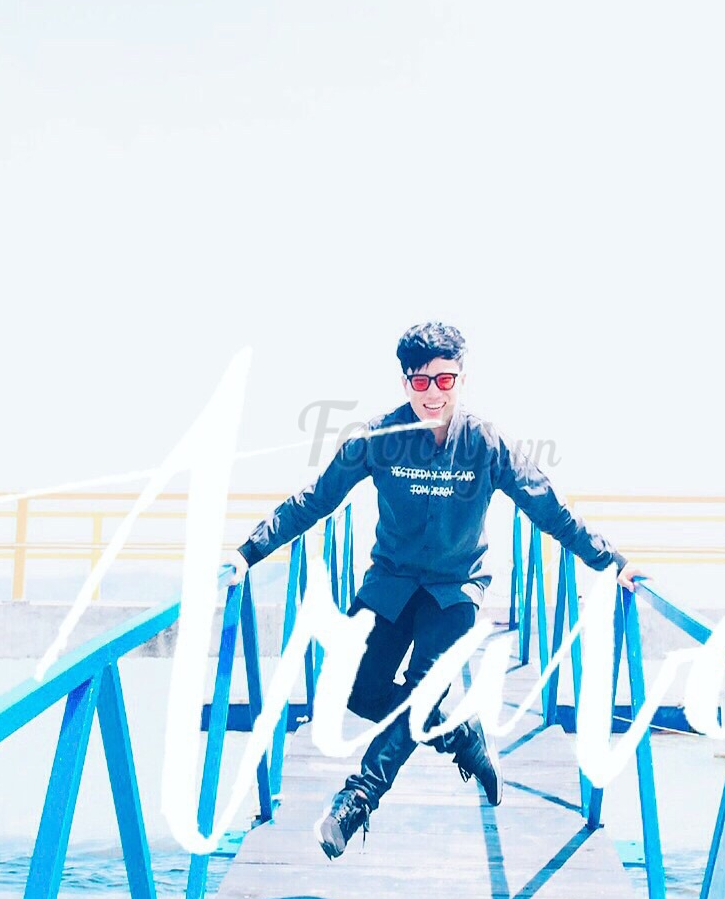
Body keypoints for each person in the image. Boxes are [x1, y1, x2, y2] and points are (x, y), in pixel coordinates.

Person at [226, 321, 634, 860]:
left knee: (422, 690)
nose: (433, 393)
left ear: (461, 378)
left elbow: (548, 508)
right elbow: (316, 500)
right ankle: (459, 734)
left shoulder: (486, 444)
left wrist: (611, 562)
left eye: (445, 380)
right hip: (391, 582)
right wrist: (247, 552)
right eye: (421, 382)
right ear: (405, 383)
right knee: (354, 689)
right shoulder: (376, 438)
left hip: (454, 590)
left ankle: (357, 801)